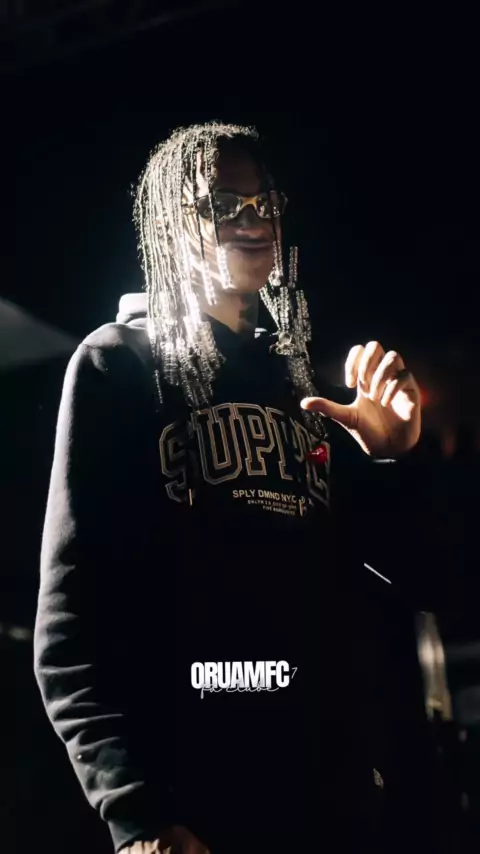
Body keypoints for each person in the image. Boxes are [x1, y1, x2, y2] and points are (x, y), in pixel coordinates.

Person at [34, 122, 425, 854]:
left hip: (335, 808)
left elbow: (422, 579)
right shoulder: (118, 364)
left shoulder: (301, 386)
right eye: (224, 205)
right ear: (170, 224)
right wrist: (136, 813)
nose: (254, 220)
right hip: (198, 808)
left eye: (264, 201)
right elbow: (70, 622)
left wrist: (391, 457)